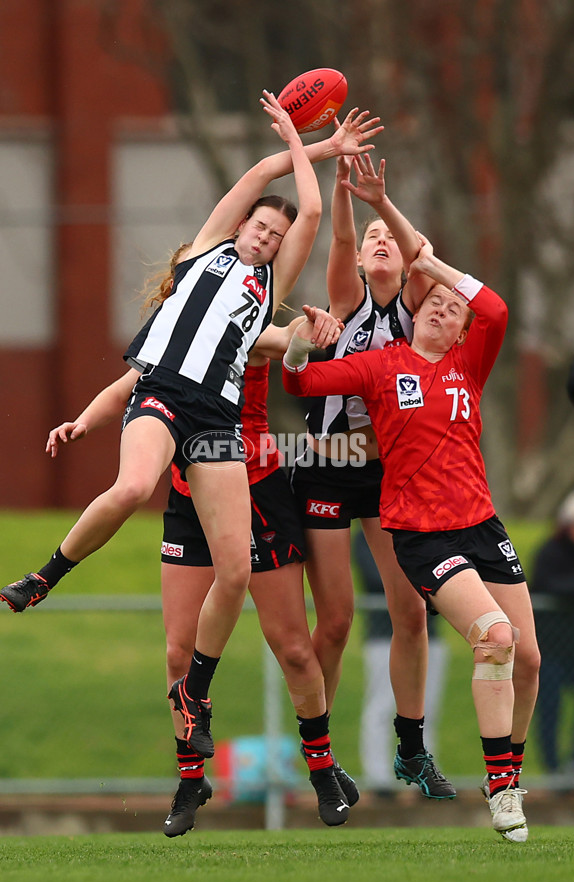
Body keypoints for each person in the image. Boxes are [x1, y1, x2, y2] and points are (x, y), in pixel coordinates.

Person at [0, 95, 380, 745]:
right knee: (131, 487)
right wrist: (300, 139)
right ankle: (45, 576)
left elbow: (311, 210)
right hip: (164, 397)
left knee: (234, 570)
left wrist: (323, 152)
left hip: (216, 421)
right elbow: (262, 176)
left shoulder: (266, 295)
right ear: (236, 229)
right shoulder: (203, 251)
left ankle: (195, 693)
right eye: (258, 227)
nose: (264, 235)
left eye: (274, 236)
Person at [282, 239, 541, 841]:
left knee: (525, 658)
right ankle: (501, 789)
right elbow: (299, 384)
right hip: (422, 535)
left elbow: (495, 311)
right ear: (416, 310)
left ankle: (508, 775)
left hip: (481, 525)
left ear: (460, 334)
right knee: (495, 638)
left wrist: (432, 266)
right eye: (435, 303)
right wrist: (298, 341)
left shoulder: (465, 365)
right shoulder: (382, 364)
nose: (444, 309)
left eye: (455, 309)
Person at [289, 152, 455, 799]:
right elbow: (340, 235)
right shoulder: (347, 299)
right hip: (329, 474)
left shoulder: (419, 310)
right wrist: (341, 187)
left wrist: (387, 206)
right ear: (361, 260)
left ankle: (411, 748)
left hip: (391, 477)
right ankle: (321, 756)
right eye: (373, 241)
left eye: (391, 239)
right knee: (334, 623)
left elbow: (418, 254)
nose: (380, 242)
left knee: (411, 612)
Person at [161, 304, 360, 834]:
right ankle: (189, 778)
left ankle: (321, 769)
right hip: (190, 492)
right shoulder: (166, 339)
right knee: (179, 652)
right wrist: (85, 420)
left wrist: (306, 333)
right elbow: (127, 390)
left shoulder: (246, 321)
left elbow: (286, 341)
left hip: (259, 485)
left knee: (295, 647)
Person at [353, 529, 449, 794]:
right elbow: (377, 578)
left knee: (427, 707)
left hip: (429, 635)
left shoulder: (424, 525)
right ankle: (379, 778)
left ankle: (425, 774)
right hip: (385, 636)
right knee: (382, 706)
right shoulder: (365, 534)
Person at [531, 491, 574, 773]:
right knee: (548, 711)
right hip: (548, 650)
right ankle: (552, 772)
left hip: (573, 649)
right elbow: (547, 585)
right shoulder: (550, 552)